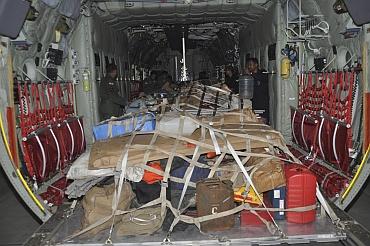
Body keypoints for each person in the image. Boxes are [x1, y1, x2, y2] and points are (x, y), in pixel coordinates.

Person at [246, 58, 269, 124]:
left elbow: (261, 77)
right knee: (256, 120)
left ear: (256, 65)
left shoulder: (263, 72)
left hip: (262, 103)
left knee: (262, 120)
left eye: (251, 65)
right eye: (248, 65)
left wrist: (250, 75)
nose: (249, 66)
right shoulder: (250, 76)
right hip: (255, 102)